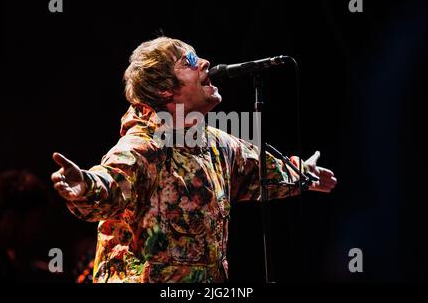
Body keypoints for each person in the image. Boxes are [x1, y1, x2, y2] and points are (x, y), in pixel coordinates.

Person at [51, 36, 337, 283]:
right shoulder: (144, 146)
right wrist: (84, 187)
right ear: (165, 88)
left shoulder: (217, 145)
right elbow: (110, 181)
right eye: (188, 61)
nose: (204, 63)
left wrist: (303, 173)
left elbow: (259, 170)